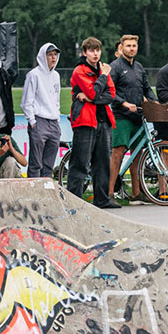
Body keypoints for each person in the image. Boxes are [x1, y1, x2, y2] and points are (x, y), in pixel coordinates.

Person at [68, 37, 119, 209]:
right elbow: (96, 93)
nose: (95, 54)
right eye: (91, 50)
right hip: (85, 121)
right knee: (80, 163)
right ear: (84, 53)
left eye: (97, 50)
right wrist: (103, 77)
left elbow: (110, 94)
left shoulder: (101, 69)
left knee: (103, 162)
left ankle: (102, 199)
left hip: (103, 120)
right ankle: (74, 200)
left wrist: (91, 97)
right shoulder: (80, 71)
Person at [109, 35, 159, 201]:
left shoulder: (138, 67)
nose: (132, 48)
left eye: (134, 45)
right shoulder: (115, 67)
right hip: (121, 116)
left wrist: (154, 101)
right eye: (128, 45)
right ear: (121, 47)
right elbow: (110, 91)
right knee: (118, 153)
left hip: (138, 116)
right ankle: (109, 193)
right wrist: (124, 103)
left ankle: (137, 192)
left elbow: (146, 87)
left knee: (137, 155)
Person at [22, 43, 62, 179]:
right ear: (43, 56)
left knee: (49, 164)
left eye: (55, 54)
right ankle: (33, 193)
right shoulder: (34, 75)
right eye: (50, 55)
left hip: (53, 122)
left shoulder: (56, 75)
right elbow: (26, 102)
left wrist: (57, 118)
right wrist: (32, 121)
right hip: (39, 121)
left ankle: (46, 192)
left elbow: (57, 100)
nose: (53, 58)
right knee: (36, 163)